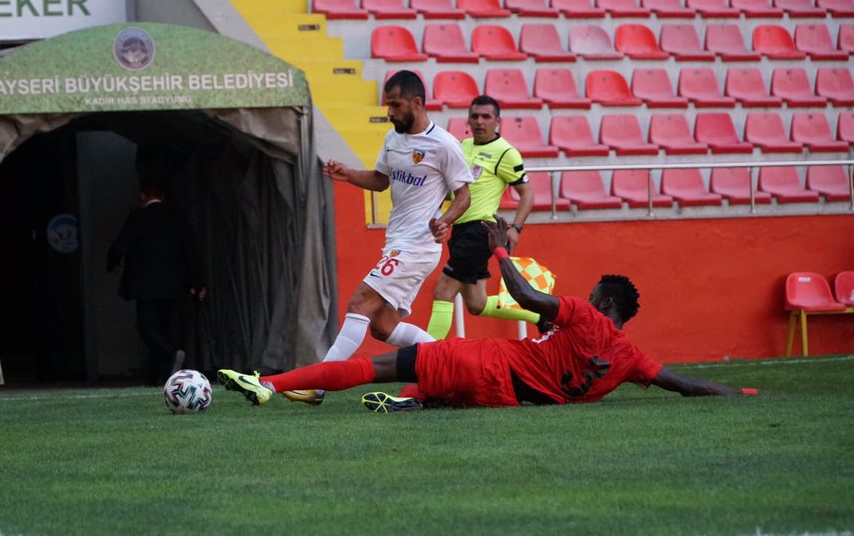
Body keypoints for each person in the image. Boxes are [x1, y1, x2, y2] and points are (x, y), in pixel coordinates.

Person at [218, 218, 756, 411]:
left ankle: (270, 383)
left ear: (606, 304)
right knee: (427, 377)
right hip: (504, 398)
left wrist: (500, 250)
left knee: (376, 367)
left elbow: (525, 297)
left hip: (489, 364)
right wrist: (738, 393)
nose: (588, 300)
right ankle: (416, 405)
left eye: (595, 295)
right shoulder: (632, 359)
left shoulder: (584, 317)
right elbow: (683, 384)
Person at [283, 70, 474, 405]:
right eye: (388, 105)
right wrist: (347, 175)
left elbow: (464, 195)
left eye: (396, 105)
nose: (390, 112)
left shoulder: (444, 145)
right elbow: (380, 180)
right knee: (383, 326)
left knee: (359, 304)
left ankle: (318, 383)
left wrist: (444, 221)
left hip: (417, 245)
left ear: (416, 102)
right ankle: (454, 367)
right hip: (398, 242)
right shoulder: (393, 139)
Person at [425, 95, 537, 340]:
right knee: (476, 304)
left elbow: (527, 193)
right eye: (474, 116)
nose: (479, 121)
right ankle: (540, 315)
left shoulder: (506, 152)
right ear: (468, 119)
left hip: (480, 232)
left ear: (497, 121)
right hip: (460, 231)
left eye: (486, 117)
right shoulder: (462, 146)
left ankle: (422, 358)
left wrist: (516, 227)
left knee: (444, 290)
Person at [107, 183, 205, 386]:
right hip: (174, 284)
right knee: (164, 326)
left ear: (143, 195)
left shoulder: (139, 217)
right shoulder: (177, 217)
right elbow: (190, 251)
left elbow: (122, 243)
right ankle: (157, 373)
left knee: (147, 326)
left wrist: (112, 262)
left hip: (146, 284)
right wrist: (197, 282)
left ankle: (170, 355)